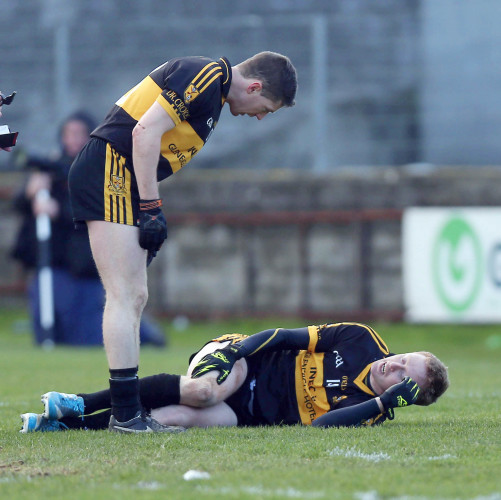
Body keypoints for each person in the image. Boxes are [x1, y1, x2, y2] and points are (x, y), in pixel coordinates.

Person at [67, 52, 298, 432]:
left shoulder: (214, 93)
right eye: (266, 109)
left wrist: (149, 210)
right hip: (110, 168)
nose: (259, 117)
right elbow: (143, 133)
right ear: (254, 87)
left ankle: (127, 411)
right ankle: (125, 414)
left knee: (134, 295)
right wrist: (151, 207)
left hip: (120, 176)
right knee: (125, 294)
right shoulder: (206, 74)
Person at [19, 321, 449, 433]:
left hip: (245, 414)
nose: (392, 363)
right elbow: (283, 336)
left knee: (172, 418)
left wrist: (380, 404)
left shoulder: (369, 411)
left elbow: (319, 426)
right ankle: (81, 401)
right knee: (202, 392)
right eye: (402, 357)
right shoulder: (362, 340)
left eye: (401, 374)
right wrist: (235, 353)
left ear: (405, 394)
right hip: (244, 363)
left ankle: (65, 424)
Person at [10, 112, 166, 346]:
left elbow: (98, 210)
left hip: (85, 267)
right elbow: (18, 205)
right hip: (54, 264)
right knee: (53, 324)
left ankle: (145, 335)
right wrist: (31, 192)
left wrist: (58, 211)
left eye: (78, 134)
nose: (72, 140)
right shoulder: (52, 167)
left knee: (89, 332)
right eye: (68, 134)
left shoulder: (99, 168)